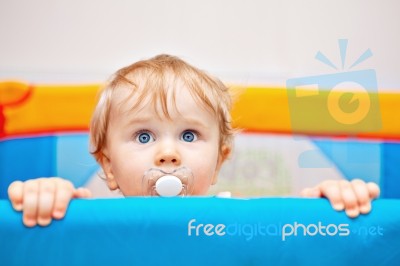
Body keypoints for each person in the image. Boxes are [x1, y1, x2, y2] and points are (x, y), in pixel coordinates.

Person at [7, 54, 380, 227]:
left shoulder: (242, 221)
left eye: (189, 135)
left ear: (219, 161)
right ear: (108, 165)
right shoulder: (86, 218)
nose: (168, 153)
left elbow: (294, 239)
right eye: (143, 135)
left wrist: (329, 202)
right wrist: (48, 198)